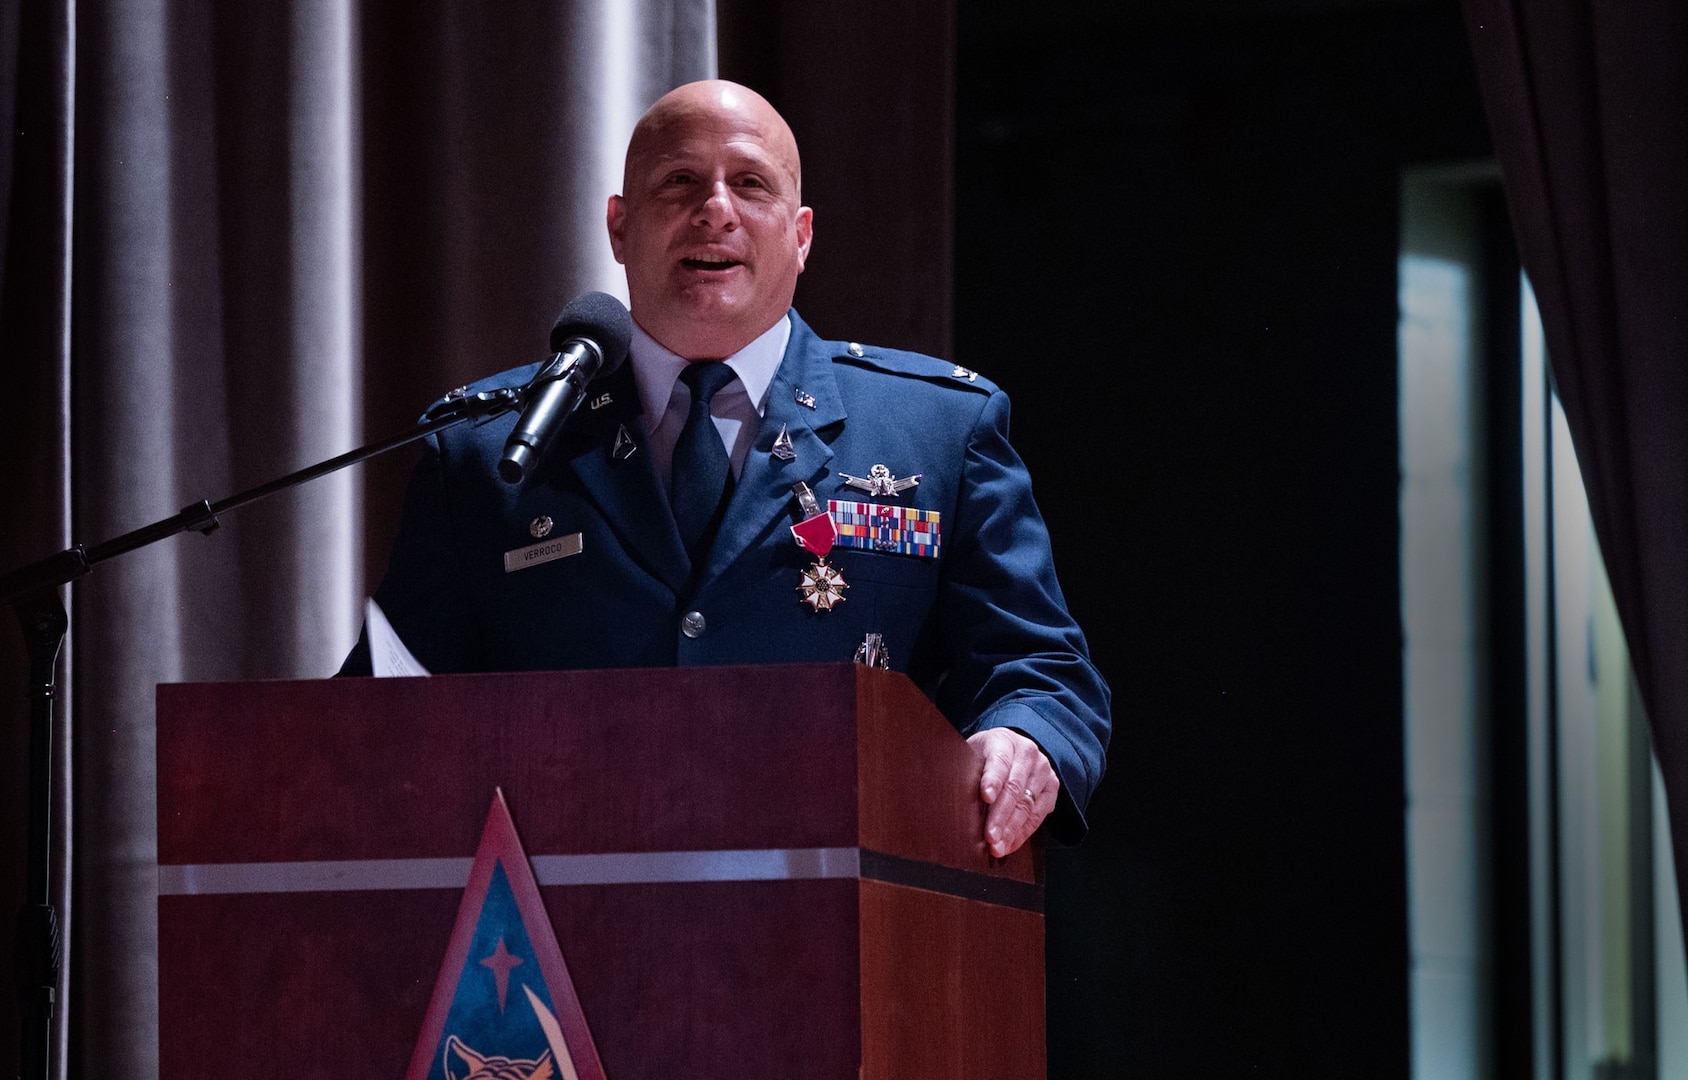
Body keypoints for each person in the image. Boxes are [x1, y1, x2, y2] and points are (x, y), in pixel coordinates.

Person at [342, 80, 1109, 858]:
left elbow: (1041, 671)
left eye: (749, 183)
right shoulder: (486, 446)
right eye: (679, 182)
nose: (715, 209)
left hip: (852, 919)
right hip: (553, 937)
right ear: (618, 225)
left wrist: (1024, 740)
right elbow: (377, 724)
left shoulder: (937, 430)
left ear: (802, 235)